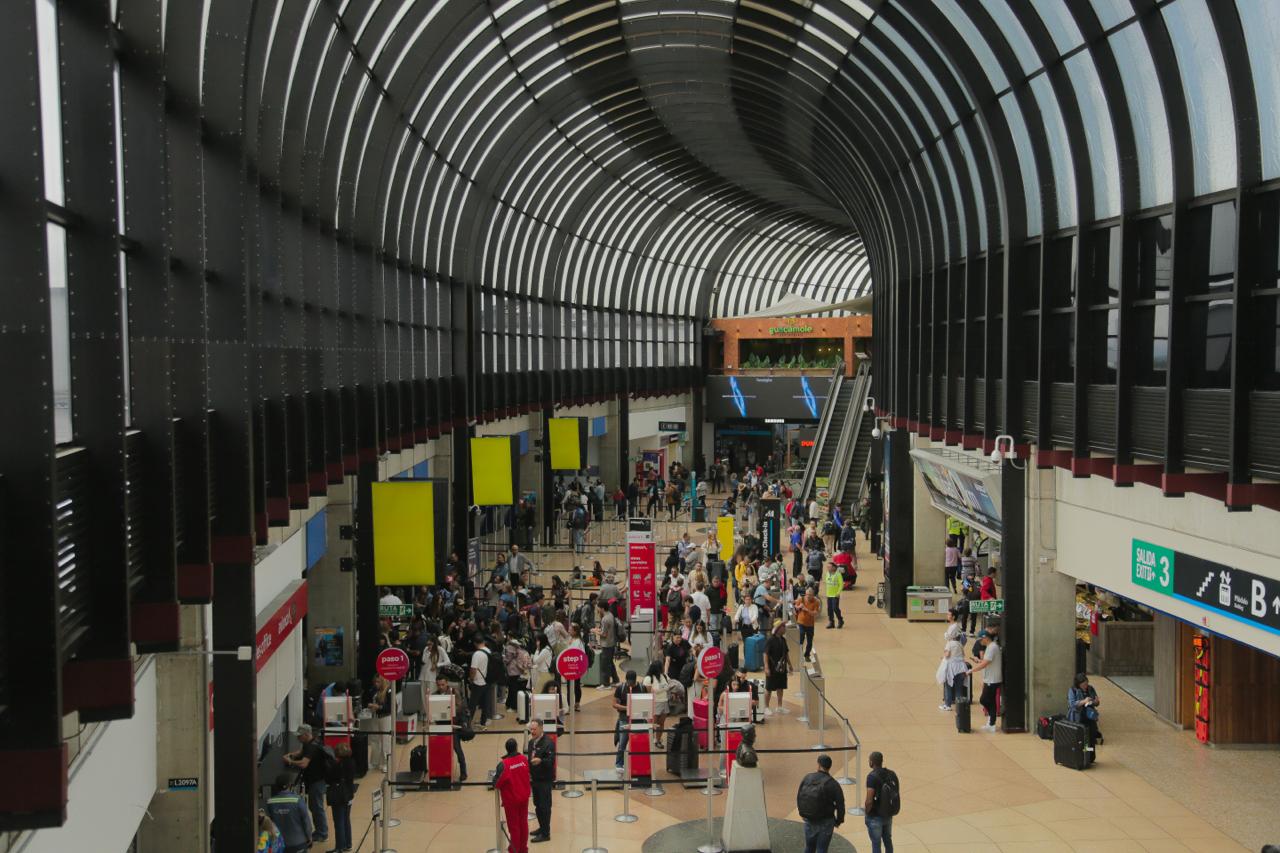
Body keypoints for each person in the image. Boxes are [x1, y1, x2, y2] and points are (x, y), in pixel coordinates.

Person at [283, 724, 329, 844]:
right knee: (313, 807)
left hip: (317, 781)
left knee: (317, 807)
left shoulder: (312, 747)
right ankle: (319, 831)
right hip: (313, 781)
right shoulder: (310, 743)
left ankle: (322, 833)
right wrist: (292, 755)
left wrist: (290, 761)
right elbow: (301, 752)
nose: (298, 738)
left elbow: (304, 763)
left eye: (300, 736)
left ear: (306, 734)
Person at [796, 754, 845, 853]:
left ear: (818, 765)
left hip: (809, 819)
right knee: (822, 849)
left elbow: (799, 796)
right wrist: (839, 820)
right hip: (826, 821)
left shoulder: (807, 778)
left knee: (809, 847)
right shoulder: (833, 784)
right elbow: (840, 805)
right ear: (829, 767)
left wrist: (803, 812)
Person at [492, 737, 532, 853]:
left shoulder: (504, 764)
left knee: (514, 827)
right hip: (524, 797)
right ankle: (523, 849)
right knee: (523, 823)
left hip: (512, 800)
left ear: (506, 749)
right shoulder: (524, 759)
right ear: (516, 747)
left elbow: (497, 783)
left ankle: (514, 850)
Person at [967, 622, 1002, 732]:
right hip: (990, 678)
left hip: (992, 679)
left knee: (984, 699)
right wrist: (978, 660)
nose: (980, 642)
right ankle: (991, 723)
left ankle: (991, 722)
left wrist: (971, 670)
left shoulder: (992, 648)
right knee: (989, 700)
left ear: (986, 638)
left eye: (981, 640)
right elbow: (986, 662)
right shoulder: (990, 647)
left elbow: (985, 664)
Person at [266, 774, 314, 853]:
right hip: (298, 844)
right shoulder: (298, 800)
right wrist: (309, 838)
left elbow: (267, 824)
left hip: (278, 845)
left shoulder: (270, 802)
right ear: (290, 785)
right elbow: (306, 823)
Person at [433, 673, 469, 780]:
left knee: (457, 748)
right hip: (441, 724)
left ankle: (463, 772)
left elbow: (459, 707)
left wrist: (446, 710)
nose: (441, 687)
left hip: (453, 725)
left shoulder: (454, 692)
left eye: (442, 685)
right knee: (442, 748)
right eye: (439, 685)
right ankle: (443, 771)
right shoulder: (434, 695)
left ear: (447, 683)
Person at [863, 751, 899, 853]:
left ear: (871, 762)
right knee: (888, 840)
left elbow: (869, 800)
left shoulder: (872, 777)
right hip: (888, 813)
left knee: (876, 843)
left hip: (875, 816)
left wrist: (867, 812)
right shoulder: (892, 774)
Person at [526, 719, 556, 843]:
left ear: (541, 728)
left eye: (534, 729)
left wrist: (541, 761)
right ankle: (541, 827)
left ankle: (545, 833)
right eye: (531, 729)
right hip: (535, 779)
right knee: (537, 805)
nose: (532, 732)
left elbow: (550, 762)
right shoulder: (531, 742)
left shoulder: (548, 743)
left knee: (545, 806)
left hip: (545, 780)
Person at [611, 670, 646, 773]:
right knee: (622, 743)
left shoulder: (641, 688)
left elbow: (646, 701)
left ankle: (638, 764)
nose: (630, 684)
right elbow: (614, 704)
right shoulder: (620, 688)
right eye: (628, 682)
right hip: (624, 719)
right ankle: (619, 764)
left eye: (632, 682)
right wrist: (627, 708)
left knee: (639, 743)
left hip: (639, 720)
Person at [327, 742, 356, 853]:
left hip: (338, 796)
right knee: (346, 820)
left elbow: (329, 778)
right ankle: (348, 844)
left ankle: (339, 846)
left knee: (338, 821)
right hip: (348, 794)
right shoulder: (352, 762)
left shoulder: (337, 765)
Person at [642, 660, 673, 748]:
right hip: (654, 703)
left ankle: (658, 740)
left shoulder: (664, 676)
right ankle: (649, 741)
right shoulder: (648, 678)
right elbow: (649, 692)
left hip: (664, 701)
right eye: (662, 666)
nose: (663, 667)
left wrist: (660, 689)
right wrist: (662, 688)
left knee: (661, 723)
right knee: (652, 724)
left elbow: (669, 686)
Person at [1066, 672, 1102, 748]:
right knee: (1081, 738)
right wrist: (1084, 701)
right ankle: (1083, 756)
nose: (1086, 686)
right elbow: (1072, 704)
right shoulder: (1073, 690)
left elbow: (1096, 702)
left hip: (1090, 717)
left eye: (1087, 683)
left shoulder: (1090, 688)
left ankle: (1090, 756)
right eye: (1084, 684)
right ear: (1079, 684)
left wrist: (1096, 702)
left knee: (1090, 738)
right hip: (1078, 717)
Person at [763, 622, 790, 715]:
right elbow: (765, 653)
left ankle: (779, 706)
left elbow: (786, 653)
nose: (785, 628)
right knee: (769, 688)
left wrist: (789, 664)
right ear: (779, 628)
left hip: (782, 668)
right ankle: (766, 707)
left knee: (780, 687)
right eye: (783, 627)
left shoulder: (783, 640)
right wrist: (766, 667)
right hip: (772, 668)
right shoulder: (770, 640)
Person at [593, 600, 621, 689]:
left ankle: (606, 684)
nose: (597, 609)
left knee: (605, 665)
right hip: (611, 643)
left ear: (602, 608)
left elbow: (604, 634)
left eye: (598, 607)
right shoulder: (610, 615)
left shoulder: (605, 619)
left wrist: (595, 631)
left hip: (606, 644)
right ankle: (616, 680)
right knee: (610, 663)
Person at [937, 635, 967, 712]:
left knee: (948, 687)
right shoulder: (960, 644)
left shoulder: (949, 643)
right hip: (961, 668)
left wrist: (943, 656)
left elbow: (947, 655)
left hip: (952, 668)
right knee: (959, 688)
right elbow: (962, 655)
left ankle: (947, 705)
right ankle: (960, 706)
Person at [468, 635, 491, 730]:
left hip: (478, 682)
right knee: (485, 703)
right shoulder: (488, 651)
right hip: (487, 680)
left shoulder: (477, 654)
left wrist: (471, 679)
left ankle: (468, 724)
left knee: (472, 704)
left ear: (475, 643)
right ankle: (483, 722)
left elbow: (473, 669)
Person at [796, 585, 820, 660]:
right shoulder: (801, 599)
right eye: (807, 595)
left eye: (810, 595)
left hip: (810, 624)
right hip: (801, 622)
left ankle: (807, 655)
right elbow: (795, 607)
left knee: (809, 641)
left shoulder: (816, 602)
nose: (808, 596)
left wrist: (807, 610)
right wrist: (799, 607)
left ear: (813, 595)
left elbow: (815, 613)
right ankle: (799, 654)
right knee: (801, 636)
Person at [823, 561, 844, 629]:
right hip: (829, 594)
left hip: (835, 595)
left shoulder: (838, 574)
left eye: (829, 567)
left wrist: (838, 593)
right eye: (827, 567)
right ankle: (831, 622)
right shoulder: (827, 574)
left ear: (834, 567)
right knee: (829, 609)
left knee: (835, 608)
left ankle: (840, 620)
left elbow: (841, 584)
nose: (828, 568)